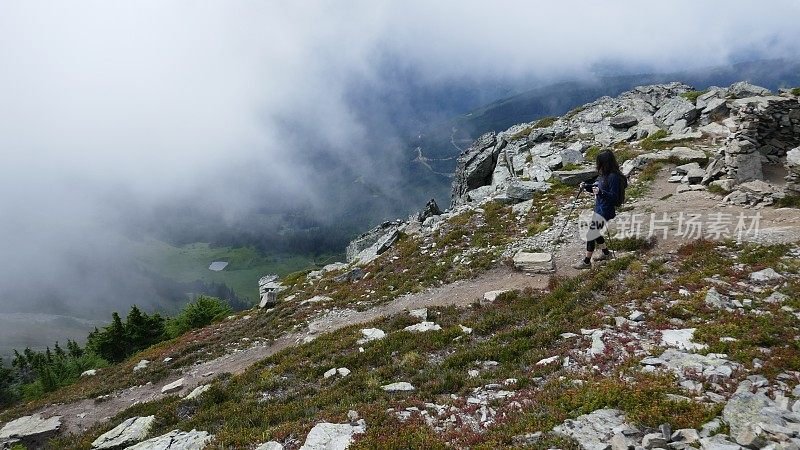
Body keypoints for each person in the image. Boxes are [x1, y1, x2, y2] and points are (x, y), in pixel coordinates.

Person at [572, 149, 625, 269]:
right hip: (600, 209)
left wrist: (600, 192)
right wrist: (586, 187)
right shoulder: (605, 175)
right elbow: (598, 188)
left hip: (606, 211)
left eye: (599, 162)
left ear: (604, 162)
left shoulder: (613, 177)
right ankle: (606, 253)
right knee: (594, 233)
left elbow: (614, 197)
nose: (597, 165)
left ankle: (586, 262)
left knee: (591, 234)